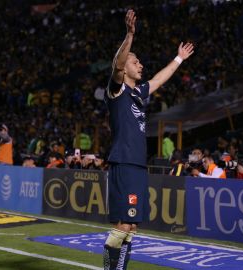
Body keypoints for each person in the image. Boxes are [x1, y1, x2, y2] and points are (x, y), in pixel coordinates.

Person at [102, 9, 194, 270]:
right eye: (136, 61)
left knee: (132, 226)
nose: (140, 64)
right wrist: (129, 35)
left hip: (138, 165)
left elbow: (158, 79)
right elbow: (118, 65)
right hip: (124, 162)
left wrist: (178, 58)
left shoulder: (139, 93)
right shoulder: (117, 90)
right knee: (122, 225)